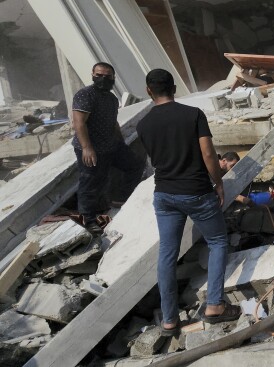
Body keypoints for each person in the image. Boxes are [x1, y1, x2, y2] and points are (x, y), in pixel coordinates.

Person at [136, 69, 241, 336]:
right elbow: (207, 153)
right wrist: (218, 183)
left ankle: (169, 321)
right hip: (196, 191)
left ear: (149, 91)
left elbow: (155, 160)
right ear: (173, 87)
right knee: (217, 242)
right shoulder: (192, 114)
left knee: (167, 255)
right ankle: (215, 304)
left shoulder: (143, 125)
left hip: (164, 195)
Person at [71, 62, 143, 235]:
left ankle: (121, 198)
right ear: (93, 75)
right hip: (91, 148)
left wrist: (121, 141)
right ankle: (87, 220)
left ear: (113, 78)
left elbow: (113, 122)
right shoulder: (85, 95)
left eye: (107, 76)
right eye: (99, 75)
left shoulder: (111, 99)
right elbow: (79, 123)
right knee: (90, 181)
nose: (103, 79)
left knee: (134, 165)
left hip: (111, 145)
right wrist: (87, 148)